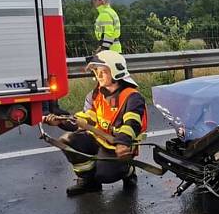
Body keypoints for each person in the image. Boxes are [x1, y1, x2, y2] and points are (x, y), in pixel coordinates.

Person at [43, 50, 147, 196]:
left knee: (104, 174)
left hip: (120, 145)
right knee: (67, 140)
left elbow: (132, 124)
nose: (98, 76)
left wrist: (123, 143)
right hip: (98, 139)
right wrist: (60, 122)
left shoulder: (132, 97)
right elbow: (86, 119)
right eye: (97, 71)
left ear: (116, 72)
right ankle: (89, 183)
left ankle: (128, 171)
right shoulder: (97, 93)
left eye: (103, 71)